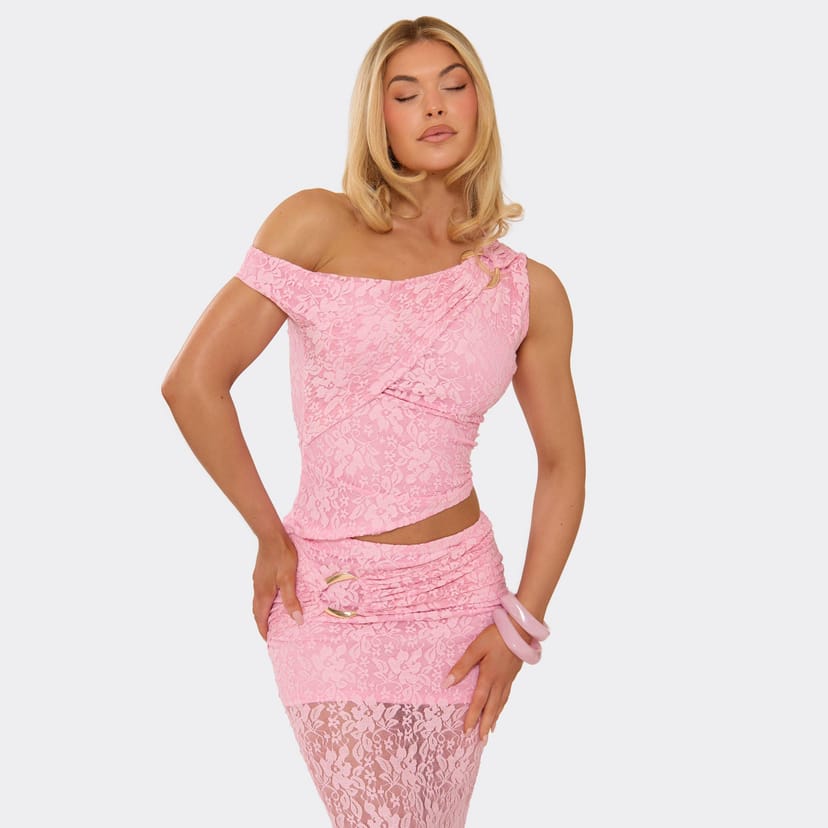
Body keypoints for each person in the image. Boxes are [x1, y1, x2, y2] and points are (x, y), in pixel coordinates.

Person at [162, 15, 585, 827]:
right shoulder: (315, 225)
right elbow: (193, 384)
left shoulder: (527, 288)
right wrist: (268, 535)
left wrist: (521, 624)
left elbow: (563, 465)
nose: (435, 106)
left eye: (453, 85)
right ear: (376, 116)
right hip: (332, 601)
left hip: (463, 602)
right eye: (406, 92)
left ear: (481, 104)